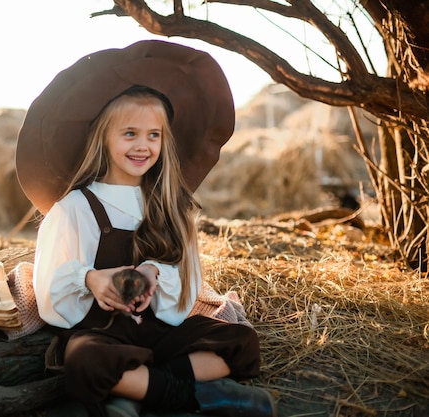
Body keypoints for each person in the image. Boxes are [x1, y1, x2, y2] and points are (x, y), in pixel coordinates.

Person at [16, 40, 277, 417]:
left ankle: (137, 390)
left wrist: (154, 273)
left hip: (159, 330)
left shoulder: (172, 205)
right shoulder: (74, 207)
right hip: (103, 331)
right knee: (85, 361)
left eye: (153, 135)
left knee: (241, 342)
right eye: (130, 134)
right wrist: (92, 280)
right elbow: (50, 286)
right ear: (103, 137)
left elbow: (187, 284)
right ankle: (196, 397)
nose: (143, 146)